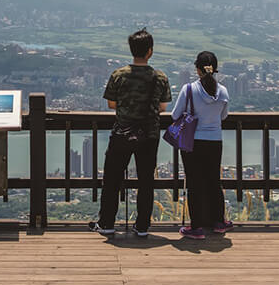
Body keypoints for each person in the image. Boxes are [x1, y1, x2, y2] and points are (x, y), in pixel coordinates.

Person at [89, 29, 171, 237]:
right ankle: (142, 226)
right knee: (146, 180)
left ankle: (107, 223)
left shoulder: (119, 75)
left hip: (122, 133)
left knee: (112, 179)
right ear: (150, 52)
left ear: (132, 50)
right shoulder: (159, 77)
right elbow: (162, 107)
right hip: (149, 134)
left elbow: (111, 104)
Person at [176, 51, 231, 239]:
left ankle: (196, 226)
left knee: (194, 182)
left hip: (192, 141)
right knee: (214, 181)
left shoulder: (189, 89)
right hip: (215, 141)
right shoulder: (222, 91)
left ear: (197, 69)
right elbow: (223, 116)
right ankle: (219, 222)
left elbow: (176, 115)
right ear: (214, 69)